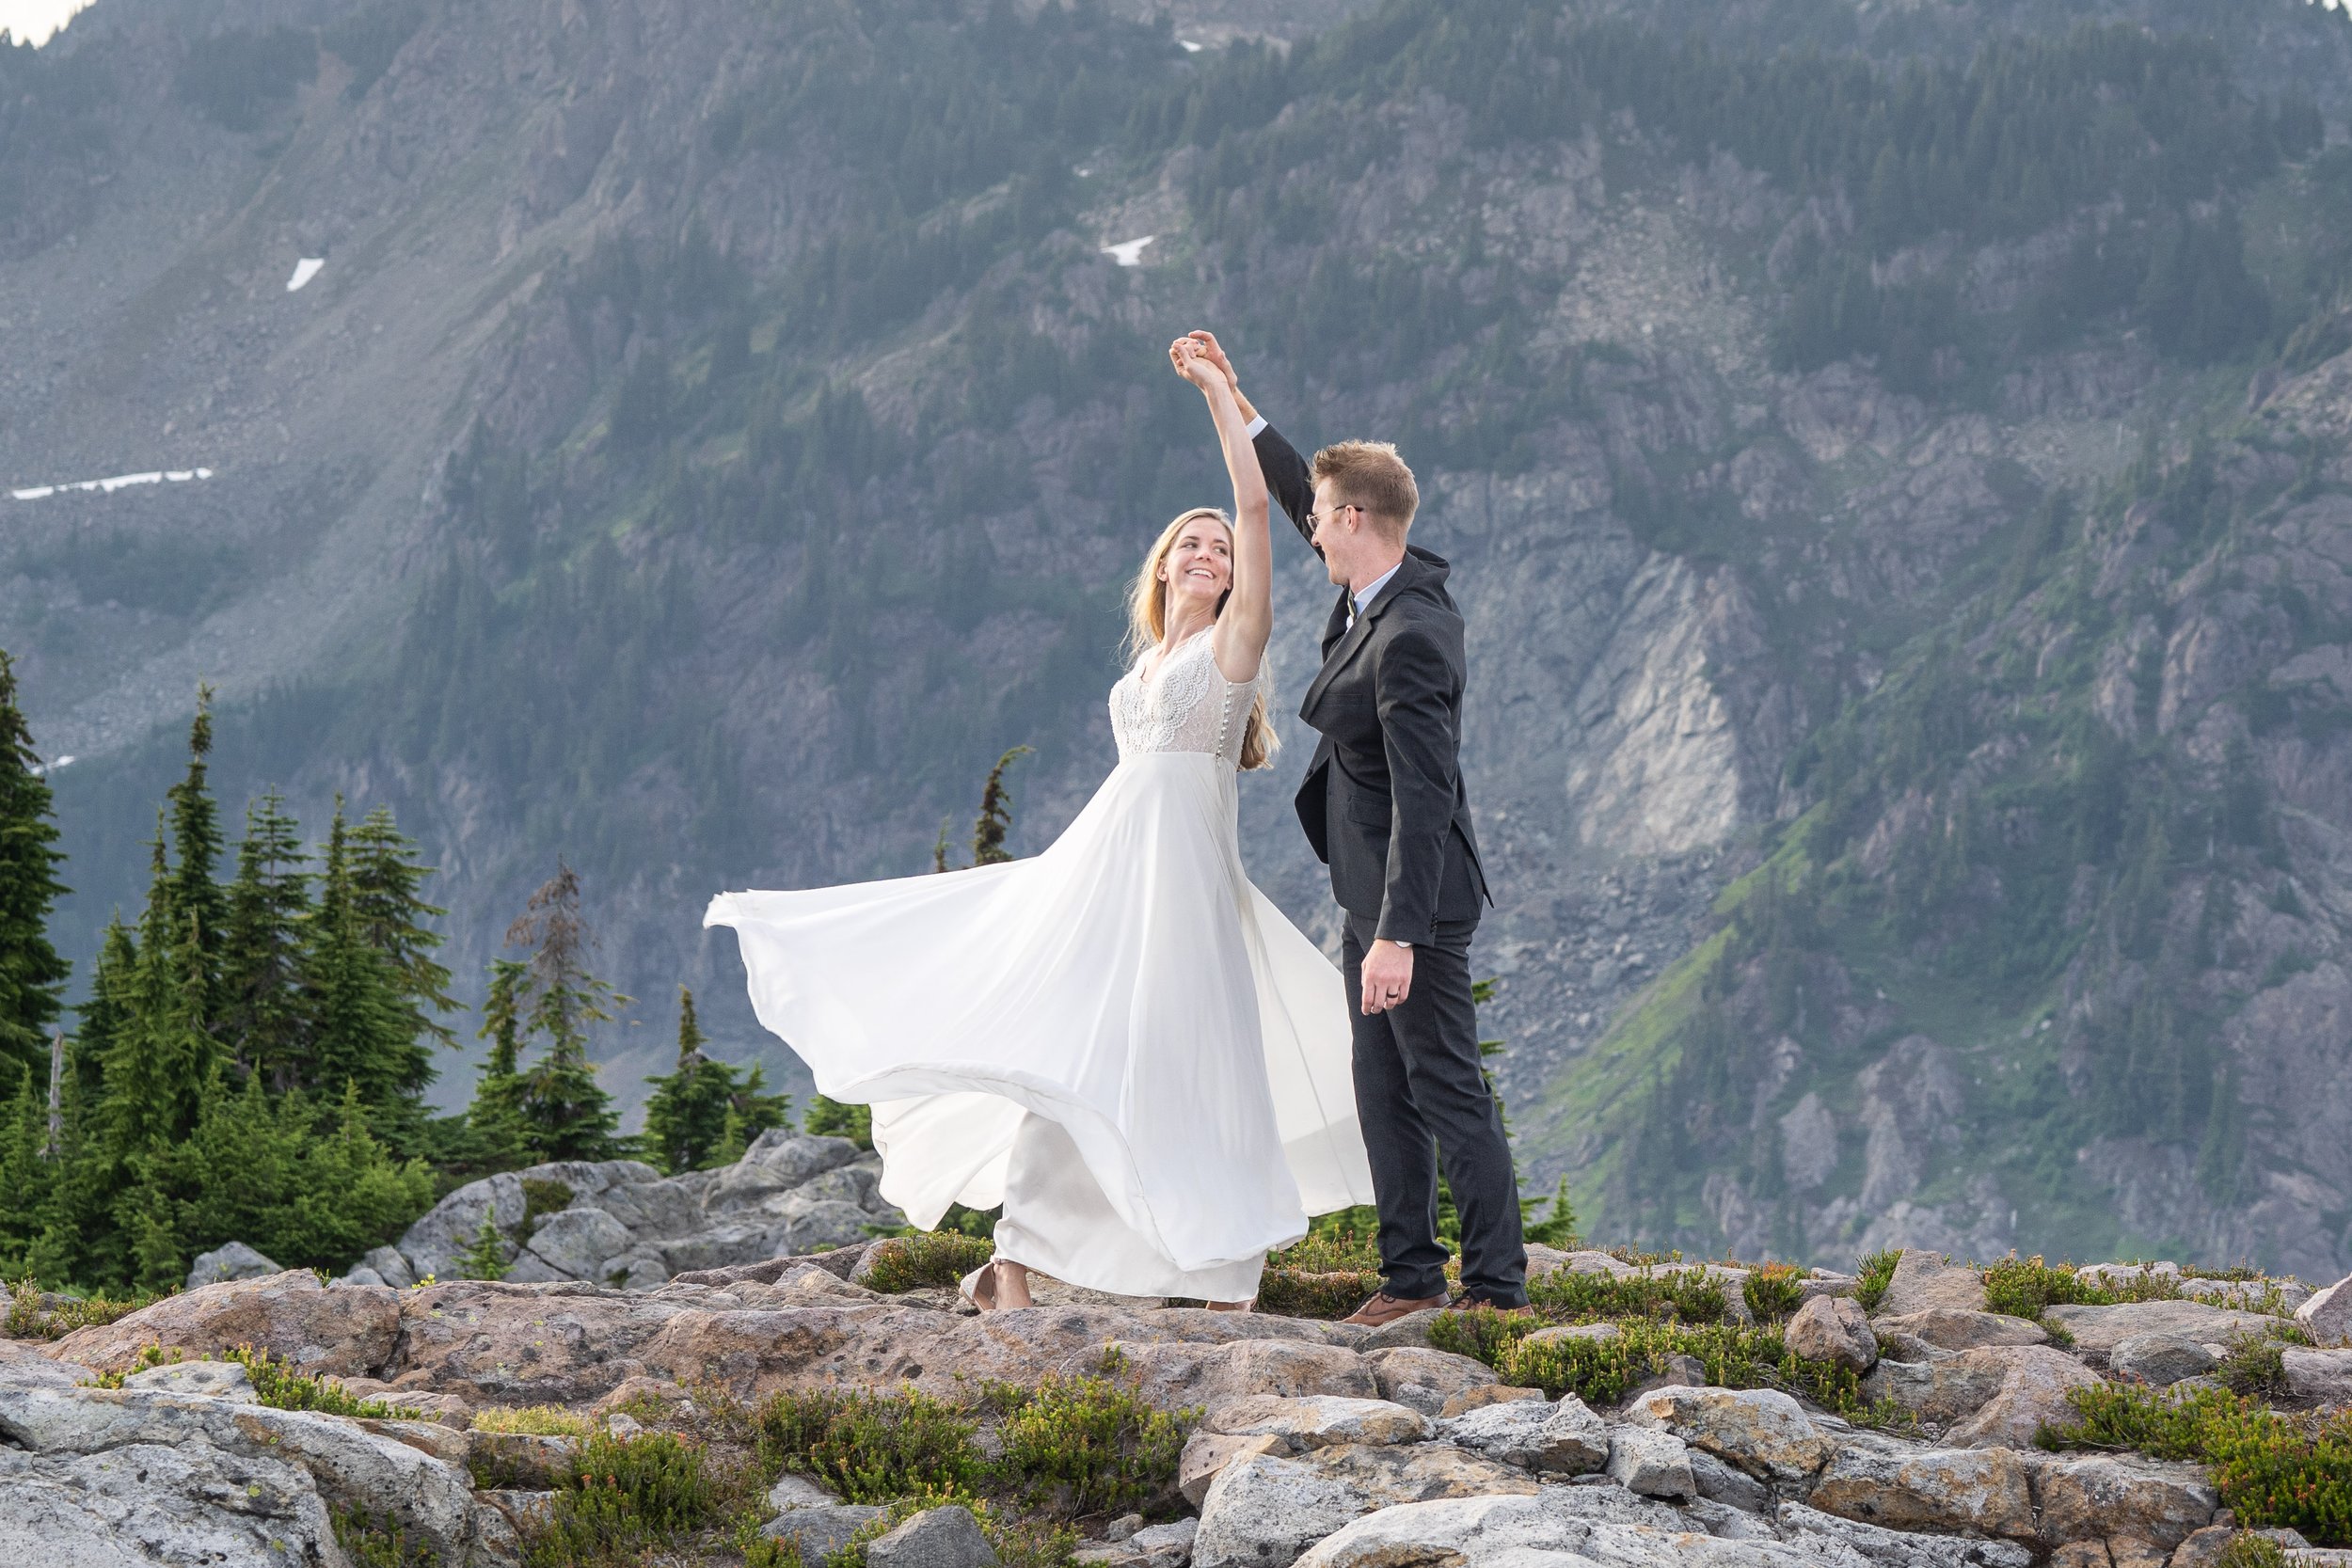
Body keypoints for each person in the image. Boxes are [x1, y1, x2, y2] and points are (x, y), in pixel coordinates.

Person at [705, 340, 1374, 1310]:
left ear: (1234, 580)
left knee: (1198, 1068)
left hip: (1186, 889)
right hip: (1109, 885)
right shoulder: (1134, 679)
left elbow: (1259, 507)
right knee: (1068, 1057)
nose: (1208, 551)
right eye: (1189, 542)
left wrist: (1223, 398)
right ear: (1161, 567)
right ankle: (1015, 1260)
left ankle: (1216, 1269)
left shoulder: (1234, 649)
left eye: (1218, 549)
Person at [1176, 330, 1526, 1323]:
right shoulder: (1374, 580)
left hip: (1412, 901)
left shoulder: (1412, 635)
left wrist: (1399, 935)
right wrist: (1231, 396)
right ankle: (1410, 1274)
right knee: (1381, 1088)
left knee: (1446, 1087)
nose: (1309, 532)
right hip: (1364, 890)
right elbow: (1296, 487)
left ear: (1358, 519)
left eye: (1323, 522)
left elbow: (1428, 796)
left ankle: (1496, 1291)